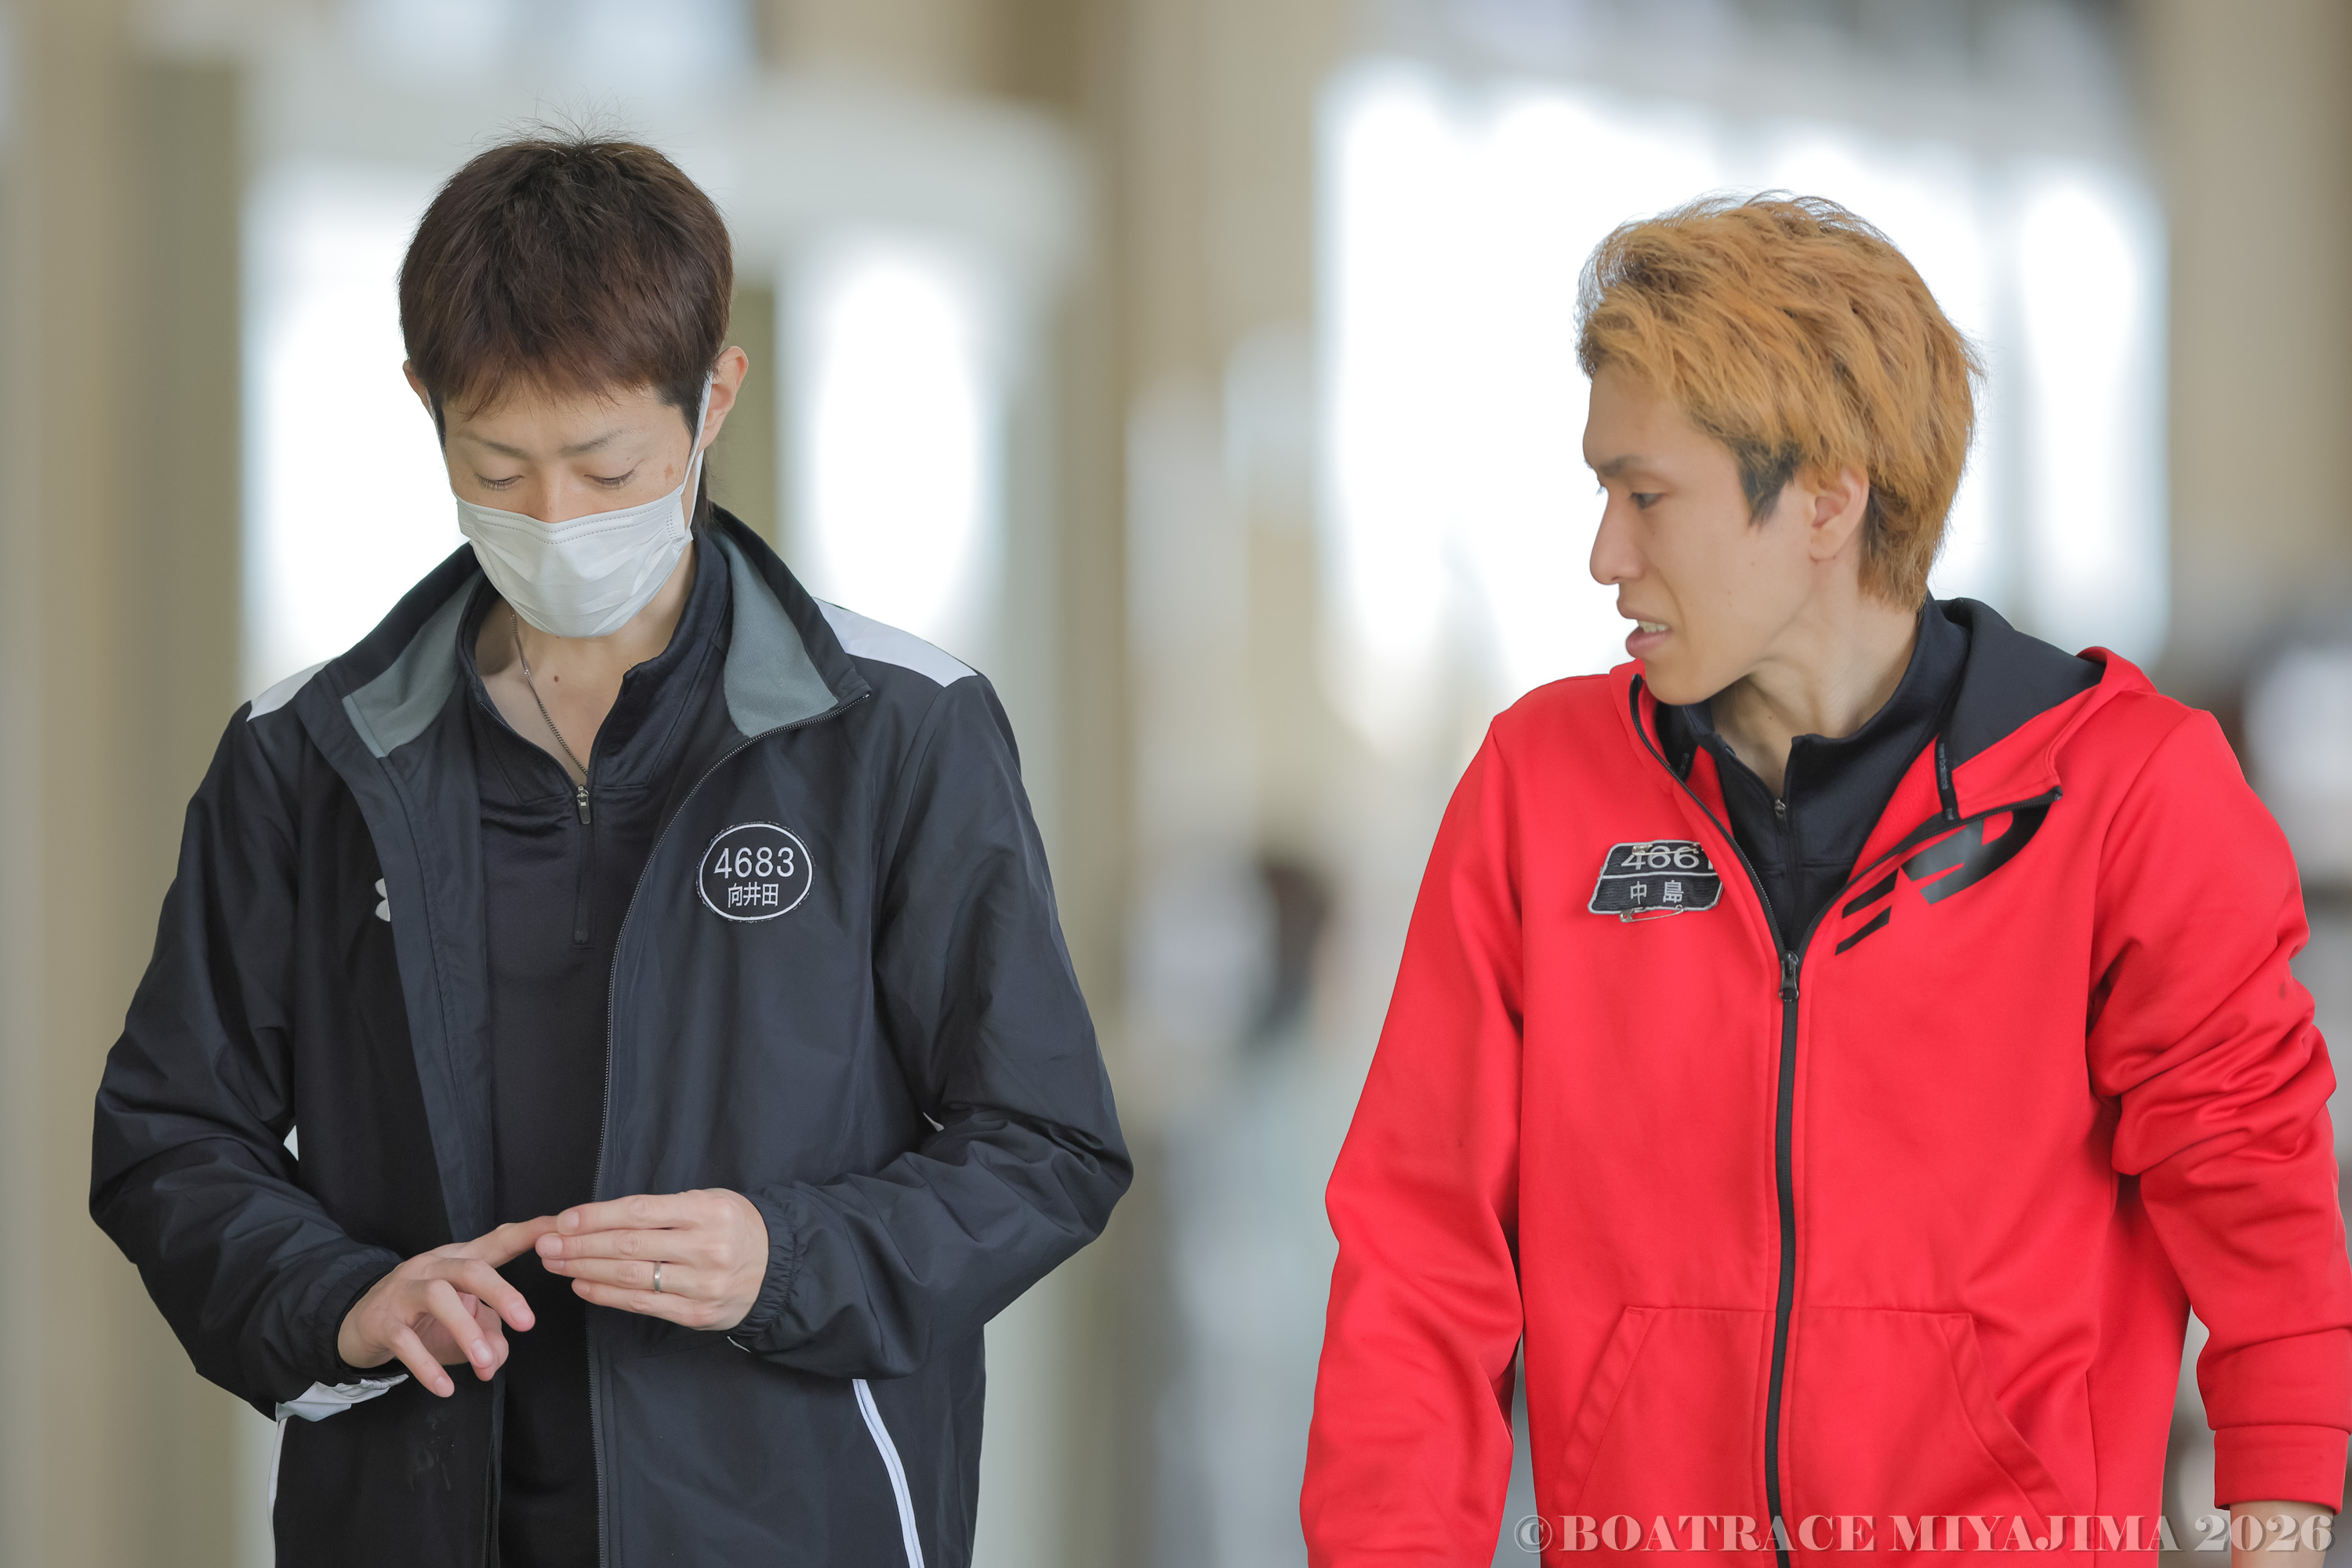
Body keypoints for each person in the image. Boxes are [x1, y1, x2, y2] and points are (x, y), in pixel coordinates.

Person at [90, 132, 1128, 1568]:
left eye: (605, 465)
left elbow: (1047, 1142)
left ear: (714, 399)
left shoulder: (898, 731)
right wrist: (336, 1300)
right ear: (425, 407)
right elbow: (170, 1136)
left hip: (792, 1521)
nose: (555, 520)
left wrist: (787, 1259)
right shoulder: (302, 759)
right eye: (497, 466)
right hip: (411, 1518)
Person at [1300, 195, 2352, 1565]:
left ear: (1826, 498)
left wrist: (2286, 1512)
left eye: (1646, 495)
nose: (1606, 554)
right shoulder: (1537, 791)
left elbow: (2254, 1189)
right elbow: (1420, 1259)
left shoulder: (2125, 794)